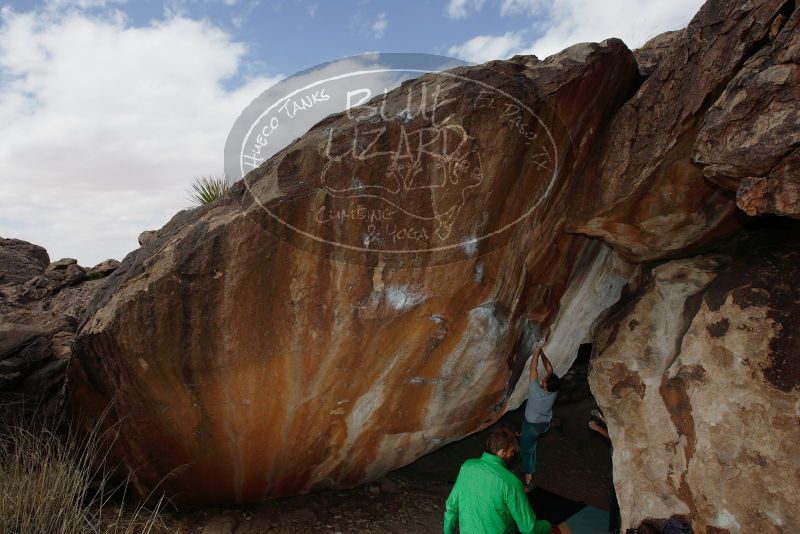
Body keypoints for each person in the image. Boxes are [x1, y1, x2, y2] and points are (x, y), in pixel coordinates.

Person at [444, 427, 558, 534]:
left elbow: (451, 507)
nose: (513, 455)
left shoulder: (467, 466)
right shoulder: (511, 482)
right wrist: (547, 526)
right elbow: (528, 528)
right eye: (512, 451)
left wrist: (447, 532)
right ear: (502, 452)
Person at [521, 347, 561, 491]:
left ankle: (528, 481)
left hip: (531, 427)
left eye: (544, 380)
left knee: (527, 450)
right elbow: (549, 369)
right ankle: (528, 476)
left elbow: (533, 369)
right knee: (530, 444)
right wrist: (543, 353)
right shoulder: (554, 390)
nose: (543, 378)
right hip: (543, 425)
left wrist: (536, 351)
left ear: (544, 386)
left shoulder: (536, 392)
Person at [589, 409, 621, 534]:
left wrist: (600, 425)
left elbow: (616, 437)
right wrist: (600, 422)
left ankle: (613, 530)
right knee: (613, 499)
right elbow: (614, 434)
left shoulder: (622, 435)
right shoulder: (617, 431)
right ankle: (613, 529)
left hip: (622, 471)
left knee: (615, 500)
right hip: (617, 469)